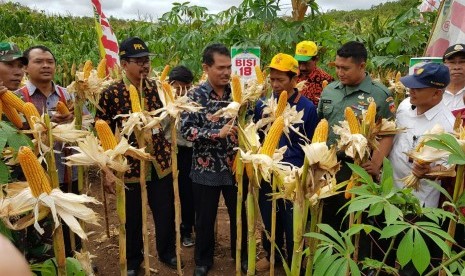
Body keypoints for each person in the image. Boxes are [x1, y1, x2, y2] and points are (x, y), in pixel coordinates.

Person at [95, 37, 178, 276]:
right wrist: (107, 171)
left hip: (159, 162)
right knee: (131, 218)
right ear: (124, 63)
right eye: (138, 61)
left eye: (147, 61)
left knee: (165, 212)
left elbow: (166, 122)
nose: (145, 66)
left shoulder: (157, 89)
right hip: (127, 166)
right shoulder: (110, 93)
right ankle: (133, 261)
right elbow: (101, 133)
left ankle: (167, 252)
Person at [180, 43, 247, 276]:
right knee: (204, 218)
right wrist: (215, 133)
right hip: (205, 167)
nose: (227, 73)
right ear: (206, 67)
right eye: (220, 68)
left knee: (239, 215)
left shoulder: (237, 93)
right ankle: (202, 260)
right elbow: (186, 130)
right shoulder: (195, 95)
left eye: (229, 67)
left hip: (234, 166)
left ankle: (241, 255)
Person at [318, 41, 395, 230]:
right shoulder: (329, 90)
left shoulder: (379, 95)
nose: (340, 72)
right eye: (337, 67)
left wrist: (376, 163)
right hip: (328, 165)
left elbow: (388, 133)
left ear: (362, 66)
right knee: (327, 218)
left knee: (355, 222)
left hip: (358, 167)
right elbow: (321, 123)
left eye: (345, 68)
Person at [254, 53, 319, 271]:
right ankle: (271, 254)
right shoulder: (262, 104)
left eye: (280, 80)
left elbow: (312, 143)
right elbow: (257, 135)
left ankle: (294, 259)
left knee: (293, 221)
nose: (274, 84)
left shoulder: (307, 108)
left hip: (294, 174)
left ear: (294, 79)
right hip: (267, 170)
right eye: (272, 79)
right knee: (268, 215)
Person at [389, 62, 453, 274]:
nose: (411, 91)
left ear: (436, 93)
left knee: (411, 265)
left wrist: (430, 172)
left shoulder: (448, 125)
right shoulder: (405, 106)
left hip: (419, 205)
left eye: (418, 87)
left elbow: (450, 169)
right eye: (411, 86)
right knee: (387, 253)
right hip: (390, 194)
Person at [19, 45, 79, 258]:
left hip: (69, 173)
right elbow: (14, 137)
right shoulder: (18, 97)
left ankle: (76, 262)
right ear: (25, 67)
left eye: (50, 62)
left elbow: (87, 127)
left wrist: (74, 121)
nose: (46, 65)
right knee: (43, 231)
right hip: (36, 181)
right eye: (38, 61)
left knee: (72, 226)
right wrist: (43, 127)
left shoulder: (68, 94)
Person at [168, 65, 195, 247]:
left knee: (188, 194)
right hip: (169, 153)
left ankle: (187, 230)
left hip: (188, 153)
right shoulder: (165, 102)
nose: (178, 92)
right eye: (174, 88)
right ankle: (172, 230)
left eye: (181, 88)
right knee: (169, 196)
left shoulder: (195, 103)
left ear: (189, 86)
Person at [294, 40, 334, 106]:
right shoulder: (292, 77)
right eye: (299, 63)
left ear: (316, 60)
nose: (302, 68)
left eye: (306, 63)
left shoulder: (326, 79)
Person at [442, 44, 465, 111]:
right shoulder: (433, 93)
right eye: (452, 62)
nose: (456, 67)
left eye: (462, 62)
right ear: (443, 65)